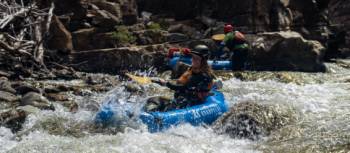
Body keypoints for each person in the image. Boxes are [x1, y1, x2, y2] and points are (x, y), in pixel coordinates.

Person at [145, 45, 215, 112]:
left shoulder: (202, 75)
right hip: (183, 100)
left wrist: (166, 84)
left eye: (197, 59)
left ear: (203, 61)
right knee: (152, 100)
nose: (193, 60)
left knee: (158, 100)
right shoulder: (193, 70)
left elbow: (183, 87)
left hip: (189, 104)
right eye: (193, 57)